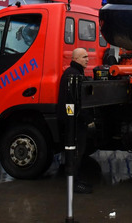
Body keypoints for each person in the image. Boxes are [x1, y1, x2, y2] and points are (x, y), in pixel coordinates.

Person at [57, 47, 92, 194]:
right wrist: (87, 119)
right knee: (76, 151)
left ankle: (76, 180)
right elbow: (77, 102)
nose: (87, 59)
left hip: (74, 122)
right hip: (75, 123)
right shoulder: (73, 76)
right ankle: (74, 183)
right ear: (75, 59)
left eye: (87, 56)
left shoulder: (74, 73)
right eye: (84, 57)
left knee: (77, 151)